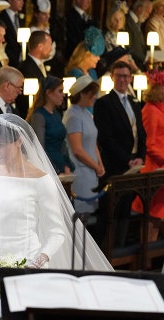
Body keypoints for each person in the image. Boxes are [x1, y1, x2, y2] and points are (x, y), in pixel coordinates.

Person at [0, 113, 113, 313]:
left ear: (18, 141)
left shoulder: (41, 181)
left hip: (27, 263)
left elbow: (57, 232)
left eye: (0, 145)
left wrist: (37, 262)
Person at [93, 60, 146, 247]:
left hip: (133, 166)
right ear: (113, 78)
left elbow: (140, 132)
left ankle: (121, 251)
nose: (123, 80)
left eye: (126, 76)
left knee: (125, 211)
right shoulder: (104, 103)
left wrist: (141, 156)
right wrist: (128, 159)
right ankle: (107, 254)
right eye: (119, 76)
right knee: (111, 213)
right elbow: (106, 139)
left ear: (131, 78)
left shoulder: (134, 101)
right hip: (115, 167)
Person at [62, 75, 104, 219]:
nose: (95, 97)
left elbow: (93, 143)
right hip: (81, 173)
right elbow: (78, 150)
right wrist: (96, 166)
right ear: (82, 94)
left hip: (91, 171)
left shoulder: (86, 113)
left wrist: (100, 163)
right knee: (80, 220)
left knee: (88, 218)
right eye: (92, 94)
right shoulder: (73, 116)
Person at [132, 69, 164, 242]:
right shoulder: (150, 110)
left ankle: (151, 258)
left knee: (157, 217)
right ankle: (146, 259)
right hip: (154, 168)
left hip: (161, 168)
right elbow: (149, 144)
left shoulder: (160, 109)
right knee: (151, 217)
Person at [26, 76, 73, 175]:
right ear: (49, 93)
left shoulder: (56, 113)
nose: (63, 95)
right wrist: (56, 169)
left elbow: (62, 143)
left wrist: (66, 165)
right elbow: (40, 148)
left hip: (61, 166)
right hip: (49, 168)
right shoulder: (39, 116)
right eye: (60, 91)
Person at [16, 30, 52, 119]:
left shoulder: (41, 65)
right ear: (40, 46)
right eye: (49, 45)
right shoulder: (25, 68)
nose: (51, 48)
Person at [125, 0, 153, 70]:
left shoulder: (137, 23)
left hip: (140, 65)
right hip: (131, 67)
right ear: (139, 9)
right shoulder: (127, 21)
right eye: (147, 12)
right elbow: (128, 47)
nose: (148, 16)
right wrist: (145, 58)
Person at [0, 0, 23, 68]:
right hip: (7, 61)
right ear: (10, 0)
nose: (22, 2)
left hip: (20, 61)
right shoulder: (1, 17)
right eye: (19, 0)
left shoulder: (21, 17)